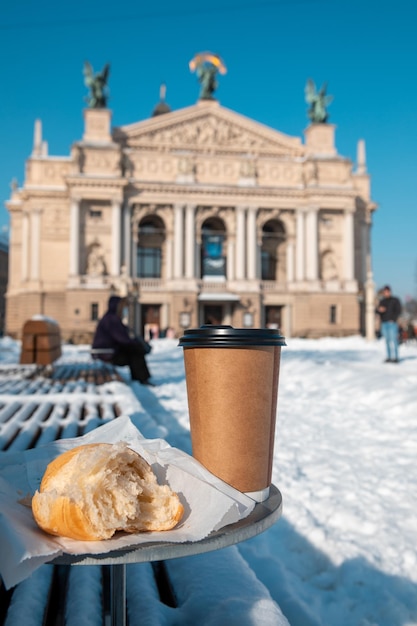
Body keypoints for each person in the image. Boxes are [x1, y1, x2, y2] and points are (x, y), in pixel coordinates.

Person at [92, 295, 154, 385]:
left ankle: (140, 378)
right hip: (106, 353)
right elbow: (121, 338)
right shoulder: (112, 319)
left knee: (134, 351)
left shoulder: (111, 318)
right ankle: (141, 379)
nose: (124, 308)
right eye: (122, 306)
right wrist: (136, 344)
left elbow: (122, 336)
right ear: (116, 306)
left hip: (108, 351)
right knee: (135, 351)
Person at [376, 285, 402, 363]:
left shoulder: (395, 300)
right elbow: (376, 311)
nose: (386, 293)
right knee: (387, 341)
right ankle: (389, 357)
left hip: (392, 323)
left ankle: (396, 357)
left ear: (390, 292)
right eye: (385, 292)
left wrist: (393, 319)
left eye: (387, 292)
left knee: (394, 340)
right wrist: (379, 310)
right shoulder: (382, 301)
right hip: (384, 323)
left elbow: (398, 310)